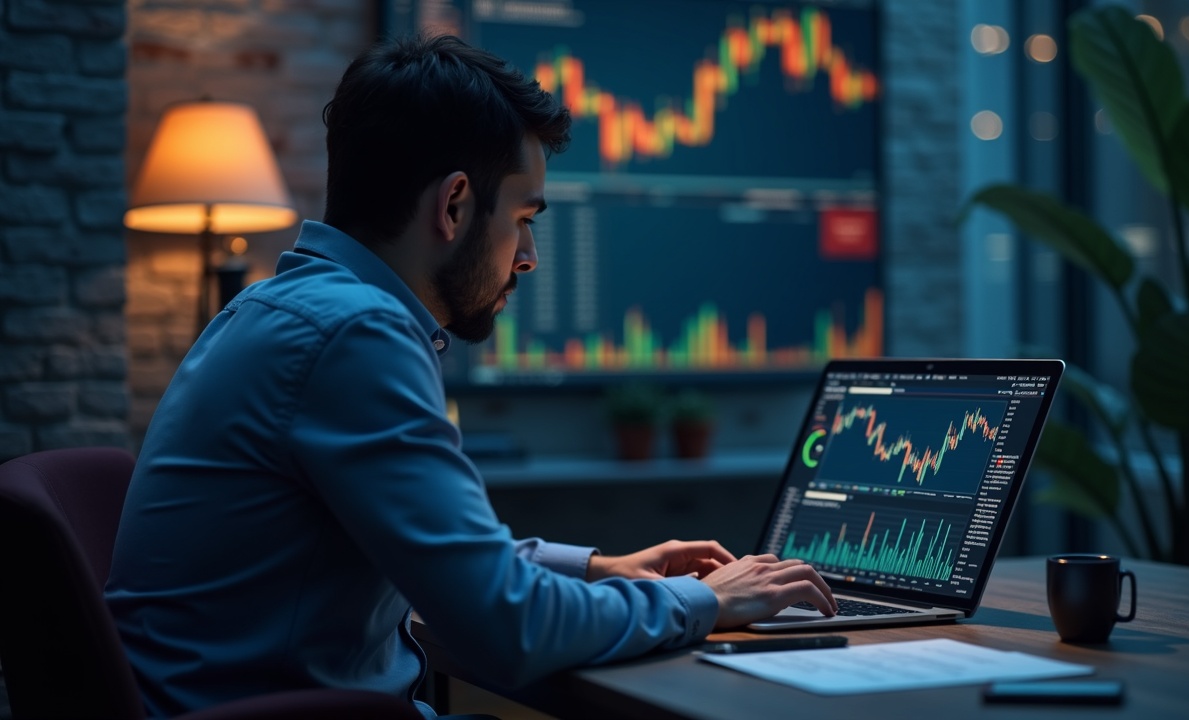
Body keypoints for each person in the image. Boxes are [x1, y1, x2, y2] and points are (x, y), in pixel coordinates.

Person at [105, 33, 835, 718]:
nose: (528, 257)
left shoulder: (289, 307)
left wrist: (596, 567)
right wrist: (704, 602)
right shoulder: (356, 335)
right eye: (523, 218)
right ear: (454, 205)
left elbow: (433, 544)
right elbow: (504, 626)